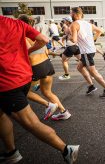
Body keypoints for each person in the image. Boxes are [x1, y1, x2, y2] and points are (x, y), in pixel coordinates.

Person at [0, 15, 79, 163]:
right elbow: (44, 40)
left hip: (8, 82)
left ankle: (65, 149)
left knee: (32, 123)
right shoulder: (15, 23)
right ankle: (11, 151)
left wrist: (27, 52)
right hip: (26, 74)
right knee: (3, 114)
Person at [18, 15, 71, 121]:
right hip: (46, 64)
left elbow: (28, 50)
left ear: (20, 23)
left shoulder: (23, 35)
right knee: (47, 92)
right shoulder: (35, 33)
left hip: (36, 66)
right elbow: (45, 49)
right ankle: (64, 112)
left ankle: (48, 105)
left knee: (24, 92)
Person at [69, 7, 105, 98]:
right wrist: (92, 40)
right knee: (79, 67)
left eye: (71, 13)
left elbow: (73, 40)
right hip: (90, 50)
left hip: (86, 52)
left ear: (76, 14)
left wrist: (69, 36)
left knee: (93, 72)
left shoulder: (74, 24)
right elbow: (100, 31)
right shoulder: (88, 24)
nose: (70, 15)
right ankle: (91, 86)